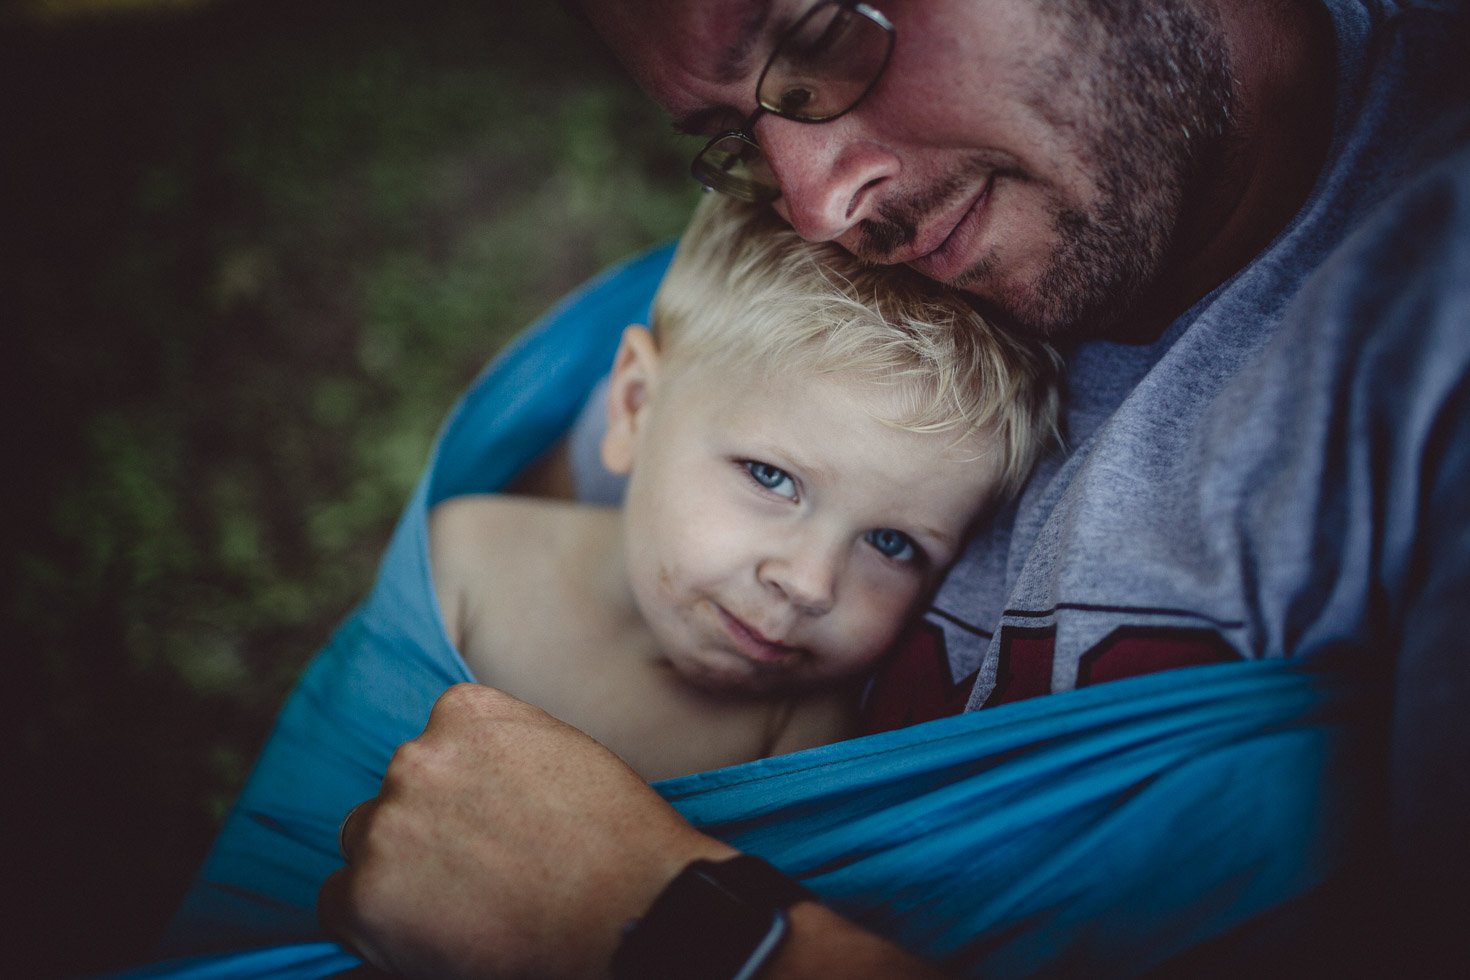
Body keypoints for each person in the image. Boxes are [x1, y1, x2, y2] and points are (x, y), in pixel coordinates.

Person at [311, 0, 1470, 976]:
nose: (815, 207)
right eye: (733, 135)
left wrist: (674, 926)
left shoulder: (1430, 332)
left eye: (823, 31)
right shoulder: (869, 262)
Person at [428, 193, 1059, 782]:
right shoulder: (469, 555)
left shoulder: (800, 740)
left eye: (892, 544)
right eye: (772, 478)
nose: (809, 585)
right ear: (635, 405)